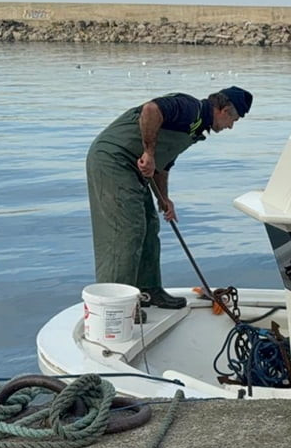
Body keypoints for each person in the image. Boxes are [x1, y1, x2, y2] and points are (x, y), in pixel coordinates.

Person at [85, 86, 252, 310]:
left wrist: (164, 199)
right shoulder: (190, 108)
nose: (231, 126)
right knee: (127, 229)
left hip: (137, 169)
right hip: (113, 160)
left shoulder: (195, 129)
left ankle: (148, 290)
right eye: (233, 120)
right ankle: (117, 306)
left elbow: (162, 166)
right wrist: (149, 153)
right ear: (223, 109)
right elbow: (151, 110)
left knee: (150, 225)